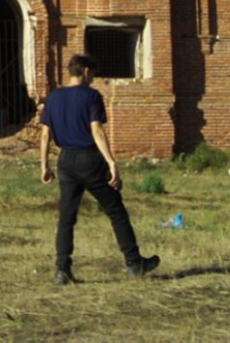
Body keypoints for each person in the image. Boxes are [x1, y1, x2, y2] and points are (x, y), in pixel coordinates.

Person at [38, 53, 160, 284]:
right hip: (90, 159)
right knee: (116, 211)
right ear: (86, 72)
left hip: (65, 161)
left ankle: (62, 269)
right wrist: (111, 162)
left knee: (66, 217)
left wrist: (44, 165)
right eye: (92, 75)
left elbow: (44, 134)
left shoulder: (53, 97)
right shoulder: (91, 96)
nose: (93, 79)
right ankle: (134, 263)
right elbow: (96, 131)